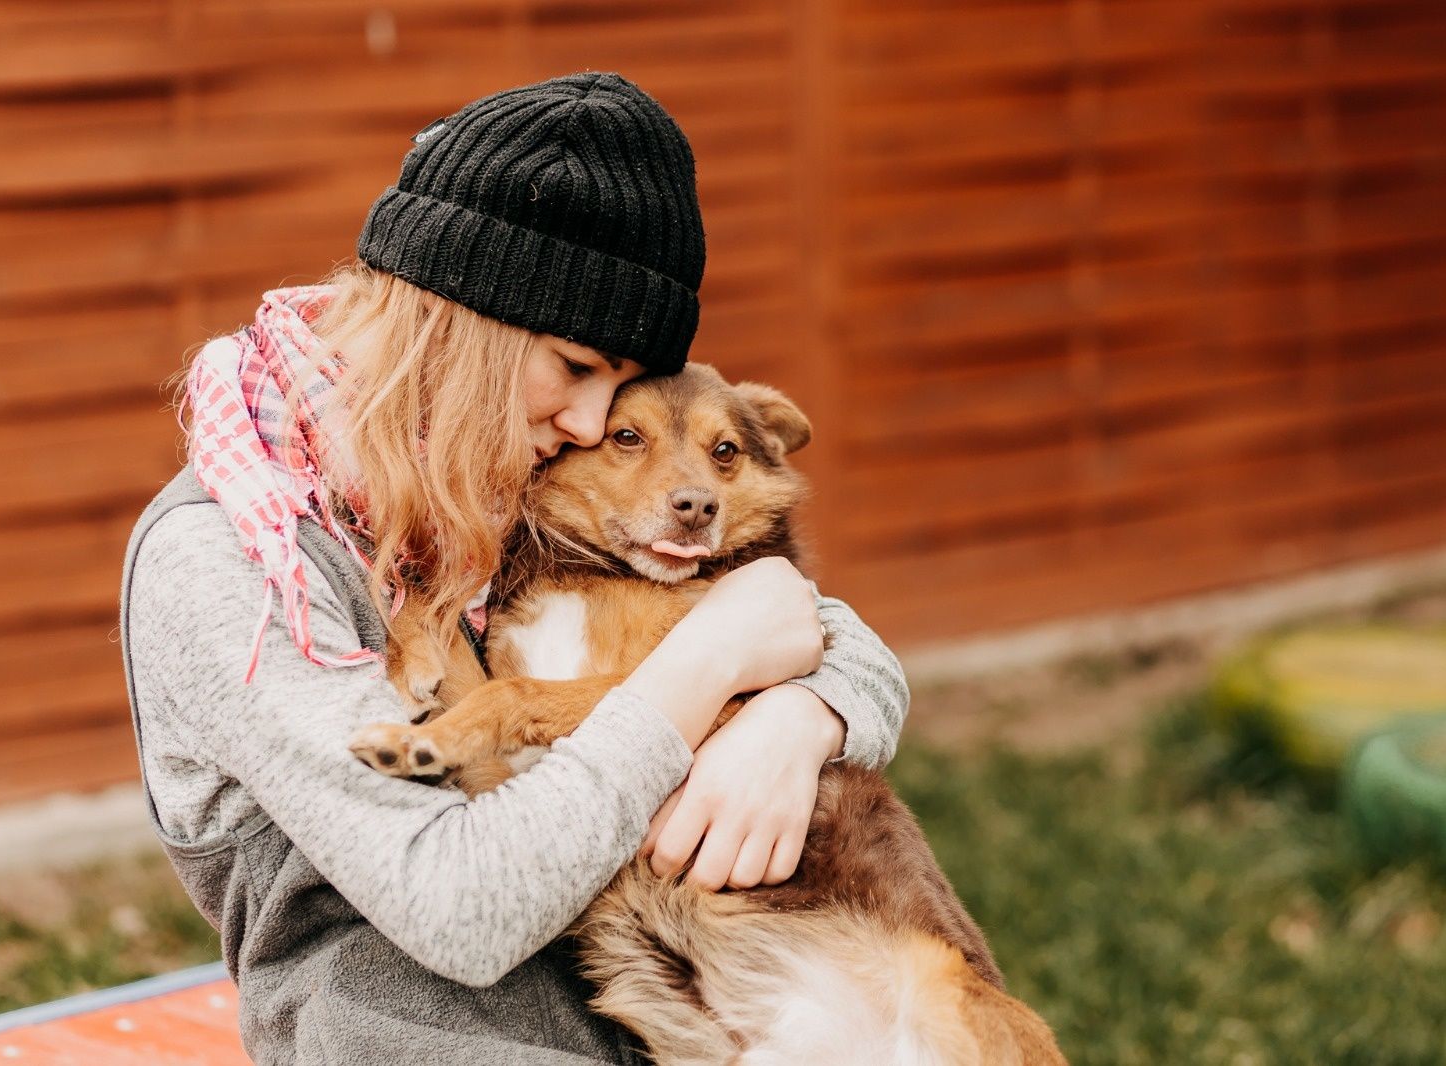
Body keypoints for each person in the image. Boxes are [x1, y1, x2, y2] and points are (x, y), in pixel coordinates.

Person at [119, 72, 908, 1064]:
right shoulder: (230, 556)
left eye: (616, 389)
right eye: (574, 368)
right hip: (413, 1036)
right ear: (460, 322)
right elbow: (460, 908)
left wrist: (803, 717)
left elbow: (803, 622)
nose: (587, 424)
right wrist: (705, 668)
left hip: (658, 1011)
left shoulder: (493, 487)